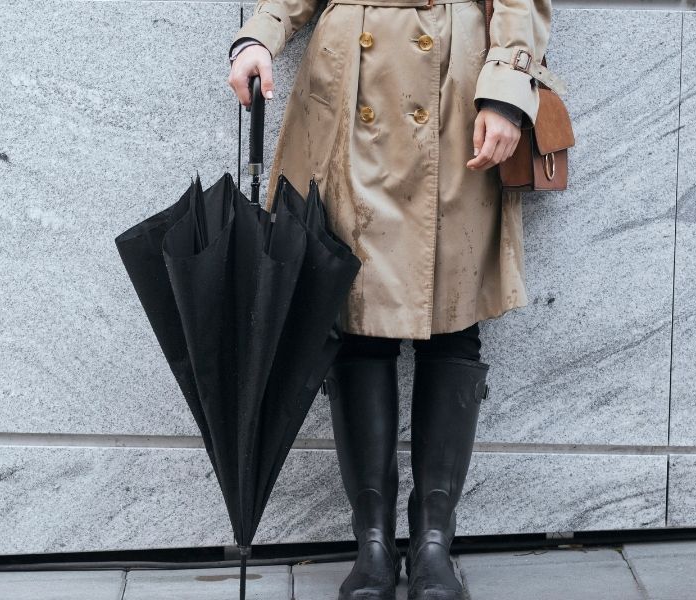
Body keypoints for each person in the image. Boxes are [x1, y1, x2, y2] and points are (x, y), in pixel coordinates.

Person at [226, 0, 559, 598]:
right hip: (349, 94)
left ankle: (434, 544)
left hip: (457, 98)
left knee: (455, 315)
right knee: (353, 315)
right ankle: (373, 544)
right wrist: (257, 37)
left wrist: (509, 87)